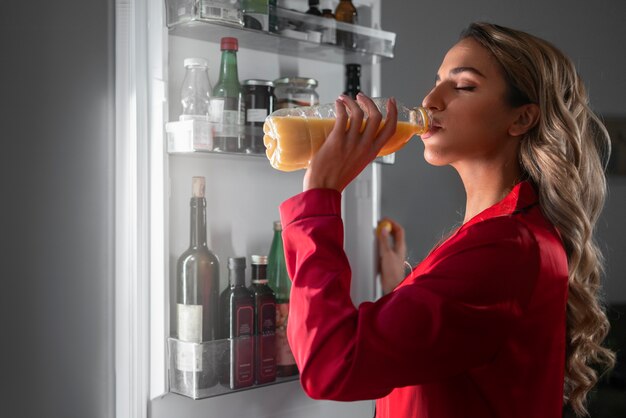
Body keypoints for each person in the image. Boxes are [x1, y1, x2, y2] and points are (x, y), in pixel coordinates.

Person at [278, 22, 615, 418]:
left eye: (464, 86)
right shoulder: (499, 234)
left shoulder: (507, 249)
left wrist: (321, 192)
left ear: (522, 119)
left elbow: (330, 367)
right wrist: (400, 286)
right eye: (437, 81)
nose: (431, 100)